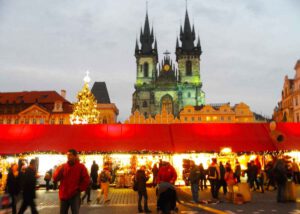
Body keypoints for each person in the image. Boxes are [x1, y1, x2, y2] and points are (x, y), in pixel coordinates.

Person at [53, 149, 90, 214]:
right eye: (67, 155)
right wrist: (59, 171)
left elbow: (86, 180)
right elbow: (55, 178)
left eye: (70, 155)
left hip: (74, 195)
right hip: (64, 195)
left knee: (75, 212)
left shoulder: (81, 167)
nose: (68, 157)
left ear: (75, 156)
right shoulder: (63, 166)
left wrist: (79, 189)